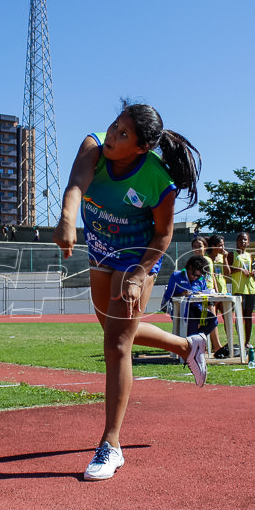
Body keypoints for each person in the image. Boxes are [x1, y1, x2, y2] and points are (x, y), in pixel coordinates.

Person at [53, 101, 204, 481]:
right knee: (111, 328)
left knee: (116, 345)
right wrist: (67, 221)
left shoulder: (157, 180)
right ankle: (187, 346)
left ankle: (111, 445)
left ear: (142, 148)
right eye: (114, 126)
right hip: (101, 250)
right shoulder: (93, 147)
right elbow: (76, 185)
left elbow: (164, 234)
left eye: (123, 135)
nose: (112, 137)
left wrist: (139, 273)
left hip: (137, 256)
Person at [160, 255, 218, 338]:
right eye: (194, 274)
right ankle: (192, 343)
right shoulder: (176, 276)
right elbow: (168, 295)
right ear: (190, 267)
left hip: (198, 307)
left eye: (198, 276)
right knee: (192, 321)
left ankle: (196, 339)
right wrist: (181, 294)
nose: (195, 278)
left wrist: (203, 294)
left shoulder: (201, 279)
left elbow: (205, 295)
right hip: (181, 309)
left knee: (213, 320)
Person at [190, 237, 226, 357]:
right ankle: (210, 346)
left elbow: (213, 276)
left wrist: (216, 291)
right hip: (202, 295)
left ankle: (215, 345)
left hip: (210, 292)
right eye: (195, 246)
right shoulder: (193, 262)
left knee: (211, 318)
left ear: (205, 247)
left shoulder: (208, 260)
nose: (197, 249)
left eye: (199, 246)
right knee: (204, 319)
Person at [228, 232, 255, 352]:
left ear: (248, 242)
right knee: (239, 316)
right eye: (240, 239)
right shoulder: (232, 255)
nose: (243, 242)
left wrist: (253, 272)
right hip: (238, 288)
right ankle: (240, 340)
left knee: (248, 315)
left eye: (245, 240)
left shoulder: (250, 256)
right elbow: (228, 269)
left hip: (250, 287)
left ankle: (247, 342)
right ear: (237, 241)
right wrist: (239, 269)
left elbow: (250, 269)